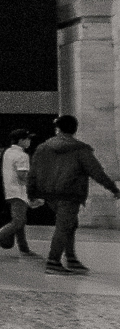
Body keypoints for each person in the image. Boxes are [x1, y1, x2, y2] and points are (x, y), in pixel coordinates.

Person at [27, 113, 120, 274]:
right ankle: (53, 262)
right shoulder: (80, 149)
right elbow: (97, 172)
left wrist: (31, 193)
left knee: (70, 224)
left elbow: (33, 172)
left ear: (58, 129)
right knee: (63, 227)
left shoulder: (43, 148)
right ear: (75, 129)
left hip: (50, 194)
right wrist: (114, 189)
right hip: (70, 194)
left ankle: (71, 258)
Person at [0, 131, 42, 259]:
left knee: (21, 220)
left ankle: (24, 249)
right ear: (20, 141)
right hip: (19, 193)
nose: (29, 141)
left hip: (8, 192)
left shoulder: (7, 152)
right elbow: (22, 176)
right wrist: (33, 192)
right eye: (27, 139)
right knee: (17, 221)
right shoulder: (22, 155)